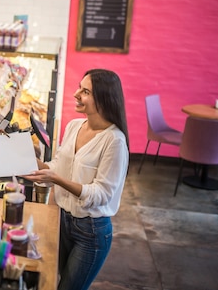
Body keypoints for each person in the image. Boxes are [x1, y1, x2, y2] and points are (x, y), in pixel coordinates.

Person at [23, 69, 129, 290]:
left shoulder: (114, 141)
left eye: (85, 91)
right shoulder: (73, 126)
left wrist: (57, 180)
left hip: (91, 231)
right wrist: (31, 162)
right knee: (49, 280)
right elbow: (58, 167)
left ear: (104, 98)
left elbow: (101, 194)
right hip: (62, 220)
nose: (76, 94)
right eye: (79, 87)